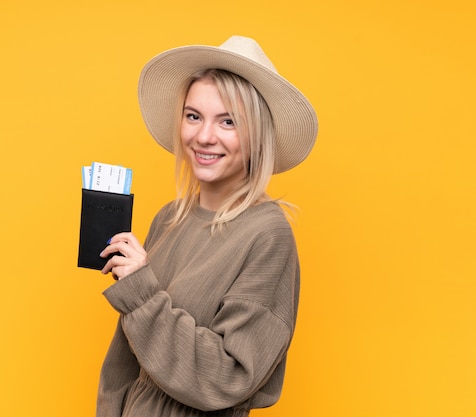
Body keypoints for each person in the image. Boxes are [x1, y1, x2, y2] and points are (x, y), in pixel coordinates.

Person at [96, 35, 318, 417]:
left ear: (257, 135)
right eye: (193, 115)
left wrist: (142, 295)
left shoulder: (267, 235)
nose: (203, 136)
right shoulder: (168, 218)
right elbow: (124, 361)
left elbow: (228, 377)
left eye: (228, 121)